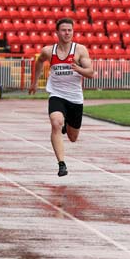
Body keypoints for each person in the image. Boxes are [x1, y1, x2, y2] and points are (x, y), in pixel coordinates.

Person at [29, 18, 95, 177]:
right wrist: (35, 82)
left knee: (73, 137)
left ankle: (66, 125)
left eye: (70, 30)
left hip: (75, 98)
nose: (67, 33)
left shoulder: (80, 50)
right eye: (64, 30)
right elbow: (39, 62)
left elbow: (91, 73)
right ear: (57, 32)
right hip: (57, 94)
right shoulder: (48, 51)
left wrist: (78, 68)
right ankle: (61, 164)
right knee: (55, 122)